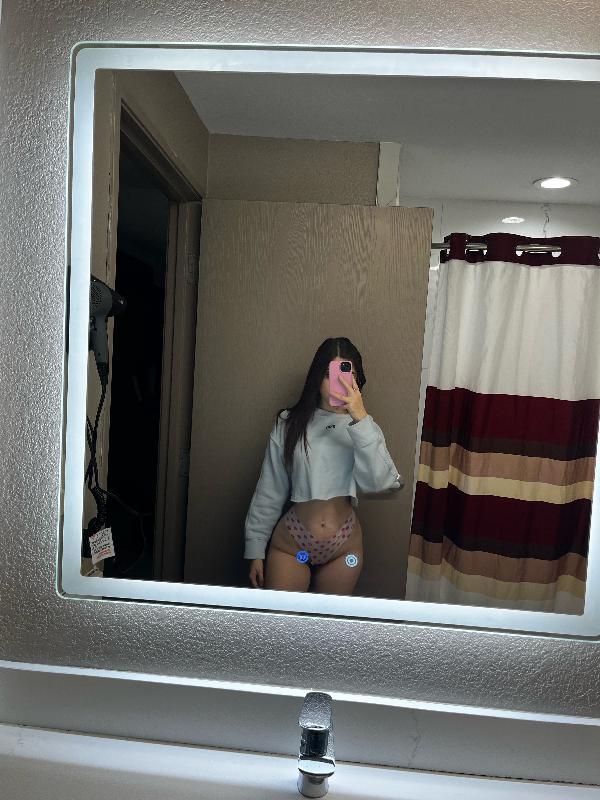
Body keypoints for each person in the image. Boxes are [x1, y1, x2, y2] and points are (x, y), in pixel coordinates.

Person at [244, 337, 404, 595]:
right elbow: (270, 490)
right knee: (282, 620)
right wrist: (255, 549)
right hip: (293, 547)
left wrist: (360, 418)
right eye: (330, 375)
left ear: (357, 381)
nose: (337, 385)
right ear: (317, 378)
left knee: (327, 621)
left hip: (343, 549)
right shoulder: (289, 422)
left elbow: (381, 483)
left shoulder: (365, 428)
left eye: (346, 376)